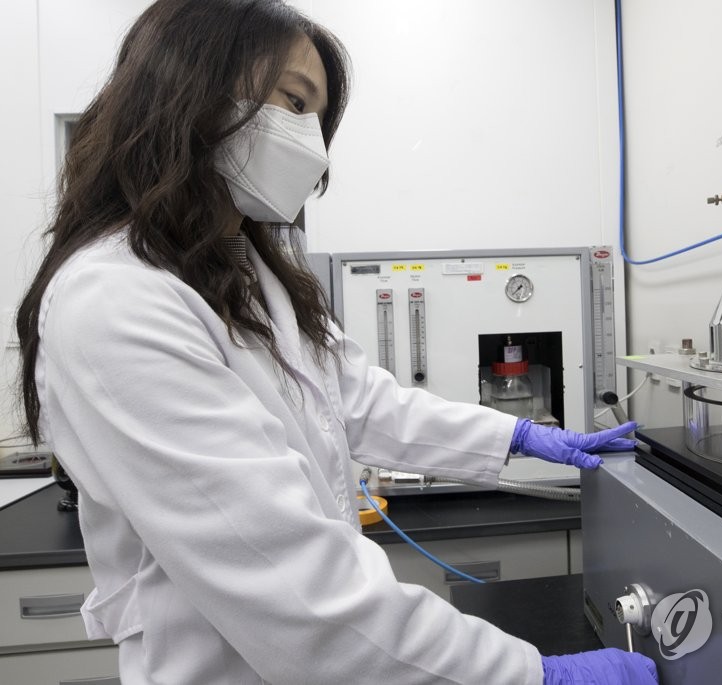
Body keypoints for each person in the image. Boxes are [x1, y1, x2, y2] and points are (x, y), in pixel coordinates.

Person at [16, 1, 659, 684]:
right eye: (295, 103)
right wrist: (534, 676)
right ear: (191, 89)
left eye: (317, 119)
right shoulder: (116, 300)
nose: (314, 147)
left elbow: (359, 401)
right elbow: (301, 597)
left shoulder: (247, 271)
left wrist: (519, 436)